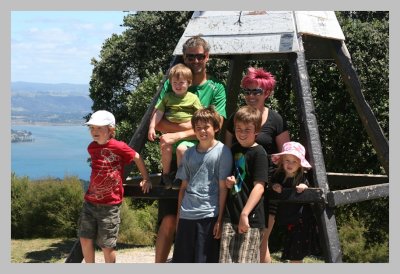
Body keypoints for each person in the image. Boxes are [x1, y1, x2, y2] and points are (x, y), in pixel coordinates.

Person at [154, 35, 227, 263]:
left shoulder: (216, 88)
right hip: (175, 164)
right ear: (184, 57)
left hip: (204, 161)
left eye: (200, 56)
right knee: (168, 219)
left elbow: (218, 123)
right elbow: (158, 122)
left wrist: (177, 132)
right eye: (190, 56)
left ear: (208, 57)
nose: (195, 60)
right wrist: (193, 127)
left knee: (204, 222)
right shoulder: (173, 82)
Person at [224, 67, 290, 263]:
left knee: (262, 243)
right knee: (242, 246)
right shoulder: (237, 117)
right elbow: (227, 151)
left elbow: (286, 154)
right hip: (238, 185)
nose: (251, 95)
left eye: (257, 91)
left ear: (267, 93)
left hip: (266, 186)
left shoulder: (276, 119)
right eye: (248, 91)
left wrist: (288, 181)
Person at [78, 110, 151, 263]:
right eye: (92, 128)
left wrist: (146, 178)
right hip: (90, 202)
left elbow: (136, 156)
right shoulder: (92, 147)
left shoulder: (119, 146)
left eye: (99, 128)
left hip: (110, 205)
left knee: (107, 245)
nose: (94, 131)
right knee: (85, 239)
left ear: (111, 130)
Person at [172, 106, 232, 263]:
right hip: (186, 214)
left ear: (216, 127)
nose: (202, 131)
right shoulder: (188, 153)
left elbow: (222, 188)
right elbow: (183, 187)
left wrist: (219, 219)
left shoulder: (223, 152)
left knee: (204, 261)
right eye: (198, 128)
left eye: (206, 127)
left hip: (209, 214)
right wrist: (179, 217)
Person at [219, 106, 269, 263]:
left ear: (257, 131)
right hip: (230, 215)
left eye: (247, 129)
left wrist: (245, 214)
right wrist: (229, 182)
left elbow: (260, 186)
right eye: (238, 128)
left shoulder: (259, 153)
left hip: (251, 219)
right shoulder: (231, 150)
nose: (241, 133)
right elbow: (229, 181)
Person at [148, 63, 203, 189]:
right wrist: (152, 127)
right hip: (171, 134)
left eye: (181, 83)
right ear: (170, 83)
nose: (178, 86)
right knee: (165, 144)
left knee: (181, 149)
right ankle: (166, 175)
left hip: (188, 137)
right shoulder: (167, 97)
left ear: (189, 83)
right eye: (175, 83)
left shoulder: (193, 98)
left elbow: (200, 116)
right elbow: (158, 113)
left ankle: (180, 176)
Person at [270, 141, 319, 263]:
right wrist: (275, 186)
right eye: (287, 160)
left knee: (295, 256)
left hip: (301, 221)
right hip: (288, 221)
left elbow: (307, 186)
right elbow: (272, 184)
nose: (290, 164)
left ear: (300, 164)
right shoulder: (279, 175)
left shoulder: (302, 176)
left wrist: (304, 187)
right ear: (282, 161)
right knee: (291, 253)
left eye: (294, 161)